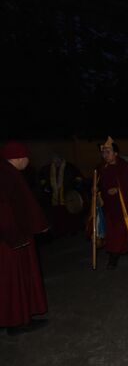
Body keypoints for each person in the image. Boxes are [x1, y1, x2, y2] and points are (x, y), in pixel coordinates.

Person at [0, 141, 49, 335]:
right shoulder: (8, 176)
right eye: (27, 157)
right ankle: (17, 321)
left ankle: (18, 318)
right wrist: (15, 235)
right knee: (14, 280)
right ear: (20, 158)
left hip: (12, 236)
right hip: (11, 239)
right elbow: (6, 210)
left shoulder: (8, 173)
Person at [97, 137, 128, 269]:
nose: (105, 155)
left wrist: (119, 189)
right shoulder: (101, 168)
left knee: (119, 231)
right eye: (103, 152)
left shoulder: (125, 167)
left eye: (108, 152)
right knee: (111, 230)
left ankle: (113, 256)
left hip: (122, 206)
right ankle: (122, 249)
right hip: (108, 206)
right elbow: (99, 185)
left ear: (115, 153)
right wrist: (95, 190)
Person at [38, 153, 85, 237]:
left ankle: (72, 229)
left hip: (67, 195)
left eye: (58, 161)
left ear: (61, 159)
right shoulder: (47, 169)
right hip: (54, 197)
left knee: (70, 214)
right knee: (57, 215)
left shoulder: (69, 167)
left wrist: (75, 186)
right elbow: (42, 179)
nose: (56, 163)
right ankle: (60, 231)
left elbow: (78, 178)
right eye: (54, 161)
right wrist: (45, 187)